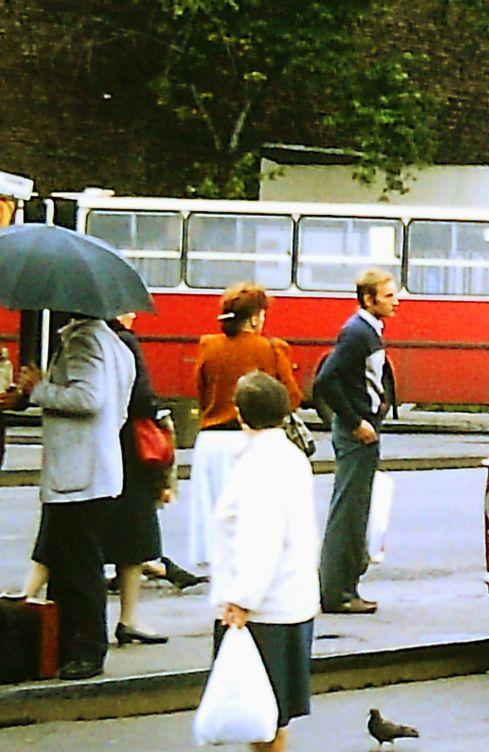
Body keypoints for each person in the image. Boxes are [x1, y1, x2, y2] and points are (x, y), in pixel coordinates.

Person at [211, 372, 319, 752]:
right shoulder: (288, 454)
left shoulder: (259, 464)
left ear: (239, 413)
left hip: (265, 602)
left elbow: (260, 537)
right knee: (275, 697)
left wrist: (242, 599)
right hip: (290, 596)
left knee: (259, 697)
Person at [18, 313, 135, 679]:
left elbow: (89, 397)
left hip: (79, 474)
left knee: (78, 568)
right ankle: (66, 647)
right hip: (95, 469)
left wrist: (38, 388)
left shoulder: (84, 341)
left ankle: (85, 650)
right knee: (73, 564)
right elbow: (121, 405)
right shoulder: (114, 343)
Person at [188, 284, 303, 582]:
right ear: (254, 318)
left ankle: (223, 590)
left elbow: (201, 393)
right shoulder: (270, 349)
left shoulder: (208, 346)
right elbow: (290, 398)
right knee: (254, 523)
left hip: (211, 442)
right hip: (250, 440)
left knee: (219, 527)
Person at [317, 269, 399, 615]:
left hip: (365, 431)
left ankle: (347, 586)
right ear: (369, 299)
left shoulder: (368, 331)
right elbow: (326, 380)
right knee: (348, 513)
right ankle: (337, 592)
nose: (396, 301)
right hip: (356, 435)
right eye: (389, 295)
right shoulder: (356, 333)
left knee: (357, 510)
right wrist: (356, 422)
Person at [105, 313, 173, 645]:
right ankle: (128, 619)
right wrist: (160, 414)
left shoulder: (78, 340)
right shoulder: (126, 342)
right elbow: (142, 396)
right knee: (133, 536)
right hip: (130, 449)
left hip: (99, 446)